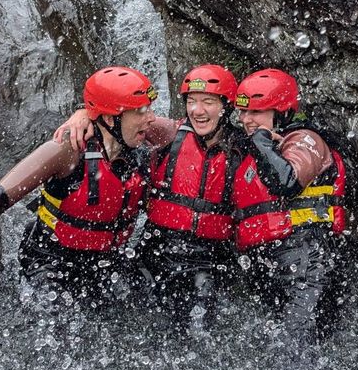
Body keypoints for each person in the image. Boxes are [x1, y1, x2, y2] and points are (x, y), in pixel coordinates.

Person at [0, 66, 157, 303]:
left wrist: (84, 111)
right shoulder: (66, 150)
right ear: (111, 119)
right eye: (141, 111)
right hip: (52, 262)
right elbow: (2, 195)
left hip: (106, 261)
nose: (151, 118)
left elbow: (188, 127)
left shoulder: (139, 145)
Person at [54, 64, 247, 328]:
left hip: (210, 261)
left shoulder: (246, 149)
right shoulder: (169, 134)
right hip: (154, 255)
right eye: (191, 101)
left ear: (227, 106)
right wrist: (84, 114)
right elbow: (117, 117)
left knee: (196, 329)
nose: (197, 111)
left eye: (208, 102)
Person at [231, 68, 346, 348]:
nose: (247, 120)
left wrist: (259, 140)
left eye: (256, 112)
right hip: (275, 265)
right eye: (243, 112)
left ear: (281, 112)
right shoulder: (261, 147)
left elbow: (287, 182)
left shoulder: (306, 140)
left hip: (309, 263)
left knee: (296, 352)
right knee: (279, 353)